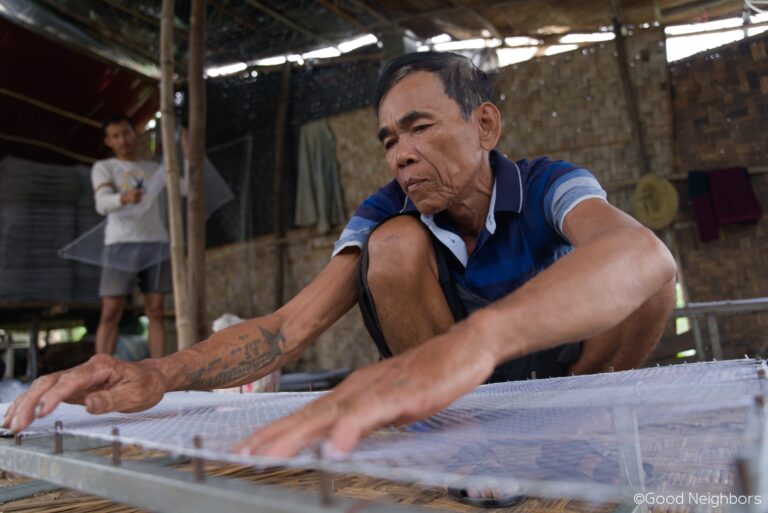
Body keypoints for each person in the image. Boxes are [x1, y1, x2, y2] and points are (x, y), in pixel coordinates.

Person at [3, 53, 676, 461]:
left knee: (647, 278)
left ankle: (581, 435)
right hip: (460, 403)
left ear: (486, 126)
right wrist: (158, 371)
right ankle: (462, 448)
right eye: (388, 139)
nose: (399, 154)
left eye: (419, 128)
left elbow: (641, 252)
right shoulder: (387, 209)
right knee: (389, 250)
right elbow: (284, 329)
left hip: (563, 387)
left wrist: (480, 338)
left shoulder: (550, 182)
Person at [90, 114, 170, 360]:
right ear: (108, 141)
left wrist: (186, 155)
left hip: (156, 242)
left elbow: (185, 186)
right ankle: (100, 372)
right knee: (110, 311)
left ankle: (158, 372)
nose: (122, 140)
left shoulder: (155, 169)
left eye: (125, 133)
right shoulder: (105, 168)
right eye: (116, 136)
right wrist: (123, 198)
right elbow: (101, 204)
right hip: (119, 243)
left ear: (134, 134)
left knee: (155, 310)